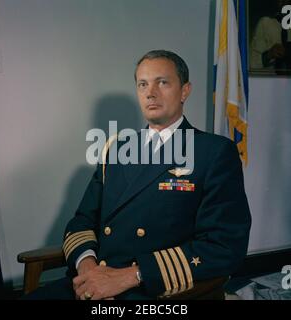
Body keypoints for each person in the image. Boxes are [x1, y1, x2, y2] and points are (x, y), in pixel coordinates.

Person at [25, 50, 251, 300]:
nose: (150, 92)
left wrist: (127, 277)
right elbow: (82, 221)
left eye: (162, 82)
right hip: (92, 281)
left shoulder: (214, 151)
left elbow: (224, 246)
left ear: (185, 91)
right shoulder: (117, 149)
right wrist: (88, 270)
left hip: (153, 289)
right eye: (143, 84)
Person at [250, 0, 291, 72]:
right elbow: (251, 63)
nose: (283, 3)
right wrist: (269, 54)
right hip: (270, 80)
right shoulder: (265, 24)